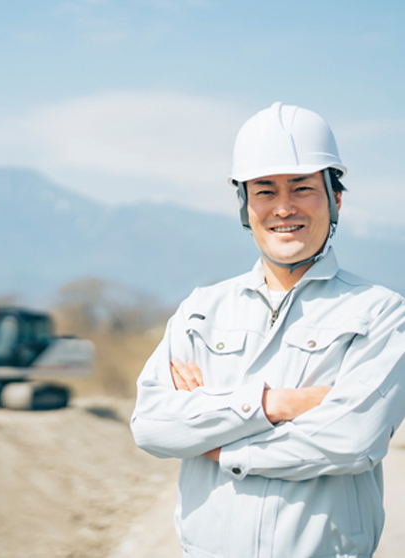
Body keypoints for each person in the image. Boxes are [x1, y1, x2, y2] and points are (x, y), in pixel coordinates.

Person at [130, 102, 405, 558]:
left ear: (336, 198)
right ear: (245, 205)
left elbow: (352, 440)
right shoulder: (202, 310)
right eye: (264, 191)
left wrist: (219, 443)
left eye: (302, 188)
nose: (283, 208)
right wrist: (273, 404)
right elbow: (154, 426)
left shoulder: (381, 314)